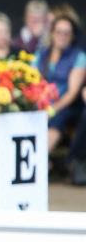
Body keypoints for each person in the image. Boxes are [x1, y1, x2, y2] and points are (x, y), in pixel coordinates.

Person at [33, 14, 86, 153]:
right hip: (39, 104)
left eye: (66, 33)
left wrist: (52, 109)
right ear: (52, 33)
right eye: (59, 32)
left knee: (57, 118)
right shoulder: (41, 55)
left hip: (64, 106)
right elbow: (32, 82)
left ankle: (41, 157)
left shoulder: (79, 57)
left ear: (72, 36)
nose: (62, 36)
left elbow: (72, 93)